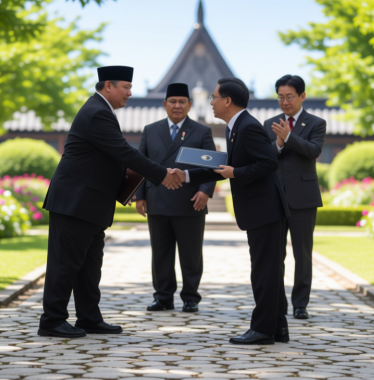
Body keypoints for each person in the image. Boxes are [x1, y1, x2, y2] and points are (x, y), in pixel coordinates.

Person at [39, 66, 183, 339]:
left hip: (90, 204)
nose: (129, 93)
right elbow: (123, 152)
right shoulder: (97, 113)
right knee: (65, 263)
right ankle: (52, 320)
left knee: (89, 266)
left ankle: (89, 317)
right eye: (125, 87)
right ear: (108, 85)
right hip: (75, 202)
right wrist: (162, 174)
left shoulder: (103, 111)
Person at [172, 78, 290, 345]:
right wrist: (187, 175)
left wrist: (236, 173)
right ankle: (278, 327)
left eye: (213, 98)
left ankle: (262, 330)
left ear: (227, 101)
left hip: (266, 210)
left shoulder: (248, 127)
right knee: (268, 270)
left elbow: (268, 162)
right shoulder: (234, 127)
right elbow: (222, 167)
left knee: (264, 272)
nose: (211, 102)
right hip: (260, 210)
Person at [135, 83, 216, 314]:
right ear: (165, 104)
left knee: (191, 254)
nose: (177, 106)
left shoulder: (201, 131)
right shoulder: (151, 130)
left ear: (190, 105)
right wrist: (139, 196)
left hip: (190, 201)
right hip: (157, 200)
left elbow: (212, 166)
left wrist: (205, 191)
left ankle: (191, 297)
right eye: (173, 101)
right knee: (160, 253)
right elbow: (140, 164)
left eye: (182, 102)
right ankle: (162, 297)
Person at [263, 75, 326, 320]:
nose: (285, 102)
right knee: (275, 254)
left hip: (304, 198)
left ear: (302, 96)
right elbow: (265, 157)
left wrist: (288, 137)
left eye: (289, 97)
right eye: (280, 97)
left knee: (303, 253)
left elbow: (314, 150)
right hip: (275, 197)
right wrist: (278, 144)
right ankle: (277, 302)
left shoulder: (316, 123)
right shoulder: (269, 123)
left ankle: (300, 304)